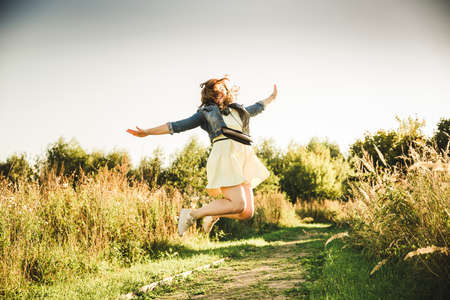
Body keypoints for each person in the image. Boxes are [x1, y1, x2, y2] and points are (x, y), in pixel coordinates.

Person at [126, 76, 277, 236]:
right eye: (214, 90)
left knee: (246, 212)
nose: (218, 92)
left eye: (221, 89)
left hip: (243, 156)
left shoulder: (238, 111)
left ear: (227, 92)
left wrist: (272, 97)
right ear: (208, 94)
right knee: (238, 205)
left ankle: (213, 213)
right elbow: (177, 125)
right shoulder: (206, 113)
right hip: (225, 156)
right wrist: (148, 132)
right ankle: (192, 214)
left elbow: (259, 107)